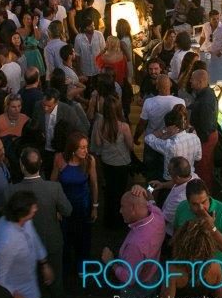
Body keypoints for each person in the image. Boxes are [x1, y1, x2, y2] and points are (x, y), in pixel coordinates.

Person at [103, 186, 166, 298]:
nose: (120, 210)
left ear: (132, 209)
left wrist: (110, 263)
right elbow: (151, 202)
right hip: (154, 275)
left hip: (136, 288)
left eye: (122, 207)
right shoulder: (158, 216)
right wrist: (144, 190)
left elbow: (128, 277)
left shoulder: (136, 244)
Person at [14, 147, 73, 298]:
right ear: (40, 164)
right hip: (51, 241)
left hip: (23, 246)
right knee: (56, 279)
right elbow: (68, 211)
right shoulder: (53, 188)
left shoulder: (11, 191)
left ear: (22, 166)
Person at [51, 131, 98, 271]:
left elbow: (94, 184)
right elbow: (53, 183)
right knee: (65, 237)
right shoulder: (59, 159)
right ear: (72, 148)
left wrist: (95, 206)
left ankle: (81, 266)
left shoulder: (90, 161)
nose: (86, 150)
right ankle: (65, 266)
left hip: (83, 206)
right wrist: (55, 208)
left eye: (86, 147)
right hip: (64, 205)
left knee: (83, 238)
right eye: (82, 147)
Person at [91, 94, 133, 228]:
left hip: (106, 161)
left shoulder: (99, 123)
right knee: (120, 192)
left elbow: (97, 143)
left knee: (109, 191)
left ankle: (108, 220)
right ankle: (120, 220)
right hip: (122, 163)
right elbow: (131, 146)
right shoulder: (124, 126)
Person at [145, 104, 202, 181]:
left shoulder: (170, 145)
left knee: (152, 177)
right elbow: (198, 158)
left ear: (169, 126)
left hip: (170, 179)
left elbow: (148, 138)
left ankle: (150, 191)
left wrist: (164, 130)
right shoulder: (195, 137)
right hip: (189, 177)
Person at [187, 68, 219, 190]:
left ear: (200, 82)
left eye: (192, 79)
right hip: (208, 135)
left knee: (203, 167)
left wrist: (198, 140)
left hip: (206, 137)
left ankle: (205, 193)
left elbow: (205, 126)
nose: (190, 81)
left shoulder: (205, 101)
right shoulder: (206, 93)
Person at [137, 74, 184, 142]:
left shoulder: (148, 102)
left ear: (157, 87)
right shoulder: (180, 102)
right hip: (171, 140)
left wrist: (136, 137)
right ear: (170, 85)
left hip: (152, 139)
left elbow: (142, 123)